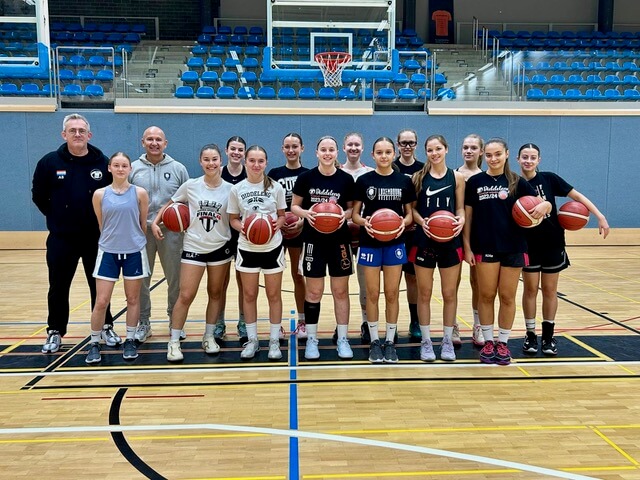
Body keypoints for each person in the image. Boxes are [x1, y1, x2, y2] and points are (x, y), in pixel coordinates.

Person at [32, 113, 120, 354]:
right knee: (58, 286)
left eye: (82, 131)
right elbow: (38, 196)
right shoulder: (49, 162)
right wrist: (58, 217)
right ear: (64, 134)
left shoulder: (103, 163)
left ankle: (105, 326)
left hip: (95, 238)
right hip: (62, 238)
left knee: (99, 286)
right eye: (73, 130)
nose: (77, 134)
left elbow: (112, 197)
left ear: (89, 135)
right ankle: (55, 330)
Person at [463, 138, 551, 365]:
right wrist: (467, 247)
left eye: (498, 154)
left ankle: (502, 343)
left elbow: (541, 203)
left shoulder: (516, 181)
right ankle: (488, 341)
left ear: (507, 154)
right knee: (486, 295)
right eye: (489, 155)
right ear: (483, 155)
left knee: (507, 296)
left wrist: (546, 205)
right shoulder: (475, 182)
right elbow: (468, 218)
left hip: (514, 246)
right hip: (485, 246)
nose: (493, 159)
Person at [517, 143, 610, 356]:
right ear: (518, 159)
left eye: (532, 157)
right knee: (530, 290)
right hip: (528, 244)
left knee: (550, 290)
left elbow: (577, 197)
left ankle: (548, 337)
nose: (528, 161)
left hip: (553, 242)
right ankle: (530, 335)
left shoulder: (549, 178)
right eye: (525, 157)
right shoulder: (515, 183)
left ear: (539, 160)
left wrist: (600, 215)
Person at [152, 144, 234, 362]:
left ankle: (209, 336)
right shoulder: (191, 185)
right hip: (194, 247)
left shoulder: (230, 189)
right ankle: (174, 341)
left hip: (220, 248)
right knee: (186, 295)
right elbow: (170, 204)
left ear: (221, 161)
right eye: (206, 159)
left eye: (214, 159)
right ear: (200, 161)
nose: (211, 163)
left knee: (215, 294)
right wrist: (155, 222)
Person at [291, 136, 355, 360]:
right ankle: (312, 340)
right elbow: (294, 206)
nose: (327, 153)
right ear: (316, 153)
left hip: (339, 241)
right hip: (313, 241)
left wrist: (343, 215)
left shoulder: (346, 179)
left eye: (331, 149)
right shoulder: (305, 178)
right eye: (323, 149)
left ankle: (343, 339)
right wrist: (306, 214)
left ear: (337, 153)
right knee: (313, 292)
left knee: (341, 291)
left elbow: (351, 210)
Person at [352, 137, 415, 363]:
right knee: (372, 293)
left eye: (388, 152)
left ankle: (389, 341)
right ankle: (374, 341)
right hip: (369, 242)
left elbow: (409, 214)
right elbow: (355, 214)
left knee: (392, 293)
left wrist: (402, 223)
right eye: (379, 152)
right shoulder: (364, 180)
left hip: (394, 243)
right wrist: (365, 223)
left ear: (394, 153)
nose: (384, 156)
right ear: (373, 155)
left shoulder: (404, 181)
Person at [86, 152, 150, 364]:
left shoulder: (140, 193)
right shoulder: (100, 194)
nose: (120, 169)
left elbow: (142, 224)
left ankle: (130, 339)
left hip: (134, 252)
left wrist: (132, 241)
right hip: (108, 252)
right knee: (101, 301)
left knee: (133, 299)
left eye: (124, 165)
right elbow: (101, 224)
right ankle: (94, 342)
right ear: (109, 168)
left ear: (130, 169)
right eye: (116, 165)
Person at [129, 126, 189, 343]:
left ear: (165, 143)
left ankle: (175, 320)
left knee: (175, 279)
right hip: (140, 232)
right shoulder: (133, 168)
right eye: (150, 139)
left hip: (171, 232)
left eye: (158, 139)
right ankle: (144, 322)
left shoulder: (178, 169)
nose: (154, 143)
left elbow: (186, 201)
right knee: (141, 279)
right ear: (143, 142)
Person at [228, 145, 287, 360]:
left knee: (274, 295)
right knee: (249, 295)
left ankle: (273, 340)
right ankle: (252, 340)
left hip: (272, 248)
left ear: (266, 163)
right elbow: (233, 219)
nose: (256, 165)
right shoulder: (237, 189)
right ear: (245, 162)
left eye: (260, 161)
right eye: (252, 160)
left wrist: (275, 225)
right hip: (247, 248)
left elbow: (282, 215)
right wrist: (244, 227)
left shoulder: (276, 188)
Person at [410, 135, 465, 362]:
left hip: (450, 241)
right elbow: (412, 210)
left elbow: (460, 208)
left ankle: (447, 340)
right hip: (424, 241)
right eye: (430, 150)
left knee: (449, 293)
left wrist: (461, 219)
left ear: (446, 149)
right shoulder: (418, 178)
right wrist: (422, 222)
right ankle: (426, 342)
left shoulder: (457, 177)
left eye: (438, 149)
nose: (434, 153)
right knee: (424, 293)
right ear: (426, 152)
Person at [268, 133, 308, 337]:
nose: (291, 150)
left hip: (299, 231)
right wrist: (279, 221)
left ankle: (302, 321)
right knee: (274, 278)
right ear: (282, 149)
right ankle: (276, 324)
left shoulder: (308, 174)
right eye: (287, 146)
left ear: (302, 148)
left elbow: (311, 206)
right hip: (277, 230)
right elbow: (268, 202)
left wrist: (302, 221)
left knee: (298, 275)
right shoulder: (274, 174)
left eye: (295, 146)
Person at [393, 129, 427, 342]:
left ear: (416, 144)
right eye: (403, 142)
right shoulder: (391, 167)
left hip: (415, 233)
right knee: (392, 280)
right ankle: (392, 323)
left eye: (411, 143)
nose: (407, 146)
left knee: (412, 278)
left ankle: (415, 321)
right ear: (398, 144)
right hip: (393, 232)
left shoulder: (423, 169)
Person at [340, 132, 373, 343]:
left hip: (363, 235)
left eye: (357, 145)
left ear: (362, 148)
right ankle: (340, 325)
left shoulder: (369, 173)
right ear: (344, 148)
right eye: (350, 144)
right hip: (339, 235)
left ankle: (366, 322)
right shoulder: (336, 172)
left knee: (365, 284)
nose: (353, 148)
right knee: (340, 285)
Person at [215, 136, 248, 341]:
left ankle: (243, 322)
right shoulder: (218, 173)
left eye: (240, 149)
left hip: (244, 234)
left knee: (244, 282)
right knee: (220, 283)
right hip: (221, 235)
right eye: (233, 149)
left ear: (244, 153)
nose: (236, 152)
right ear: (226, 151)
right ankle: (219, 322)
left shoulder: (249, 174)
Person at [456, 134, 485, 346]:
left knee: (478, 283)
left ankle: (478, 325)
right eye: (466, 147)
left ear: (481, 151)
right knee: (453, 284)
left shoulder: (485, 178)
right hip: (455, 234)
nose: (469, 151)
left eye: (473, 147)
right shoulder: (453, 175)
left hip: (479, 236)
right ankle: (453, 325)